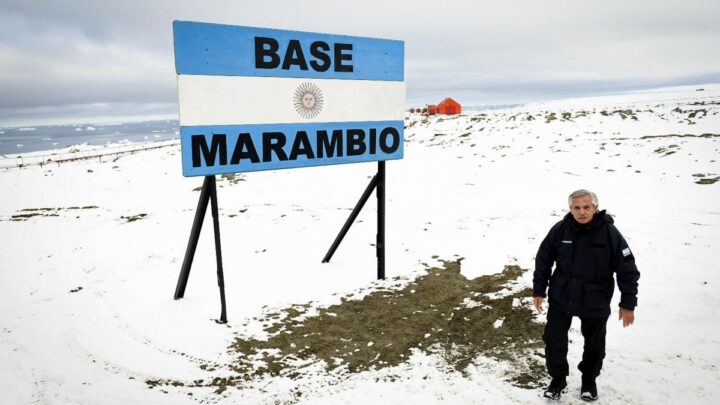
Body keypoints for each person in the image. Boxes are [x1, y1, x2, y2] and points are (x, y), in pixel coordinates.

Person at [533, 189, 640, 401]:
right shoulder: (560, 230)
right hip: (561, 297)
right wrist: (539, 290)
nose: (582, 212)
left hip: (595, 299)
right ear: (570, 209)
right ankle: (558, 379)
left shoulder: (609, 233)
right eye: (577, 208)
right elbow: (543, 259)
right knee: (554, 340)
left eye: (586, 207)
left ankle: (589, 381)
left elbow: (627, 269)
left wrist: (628, 303)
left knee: (594, 344)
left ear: (595, 208)